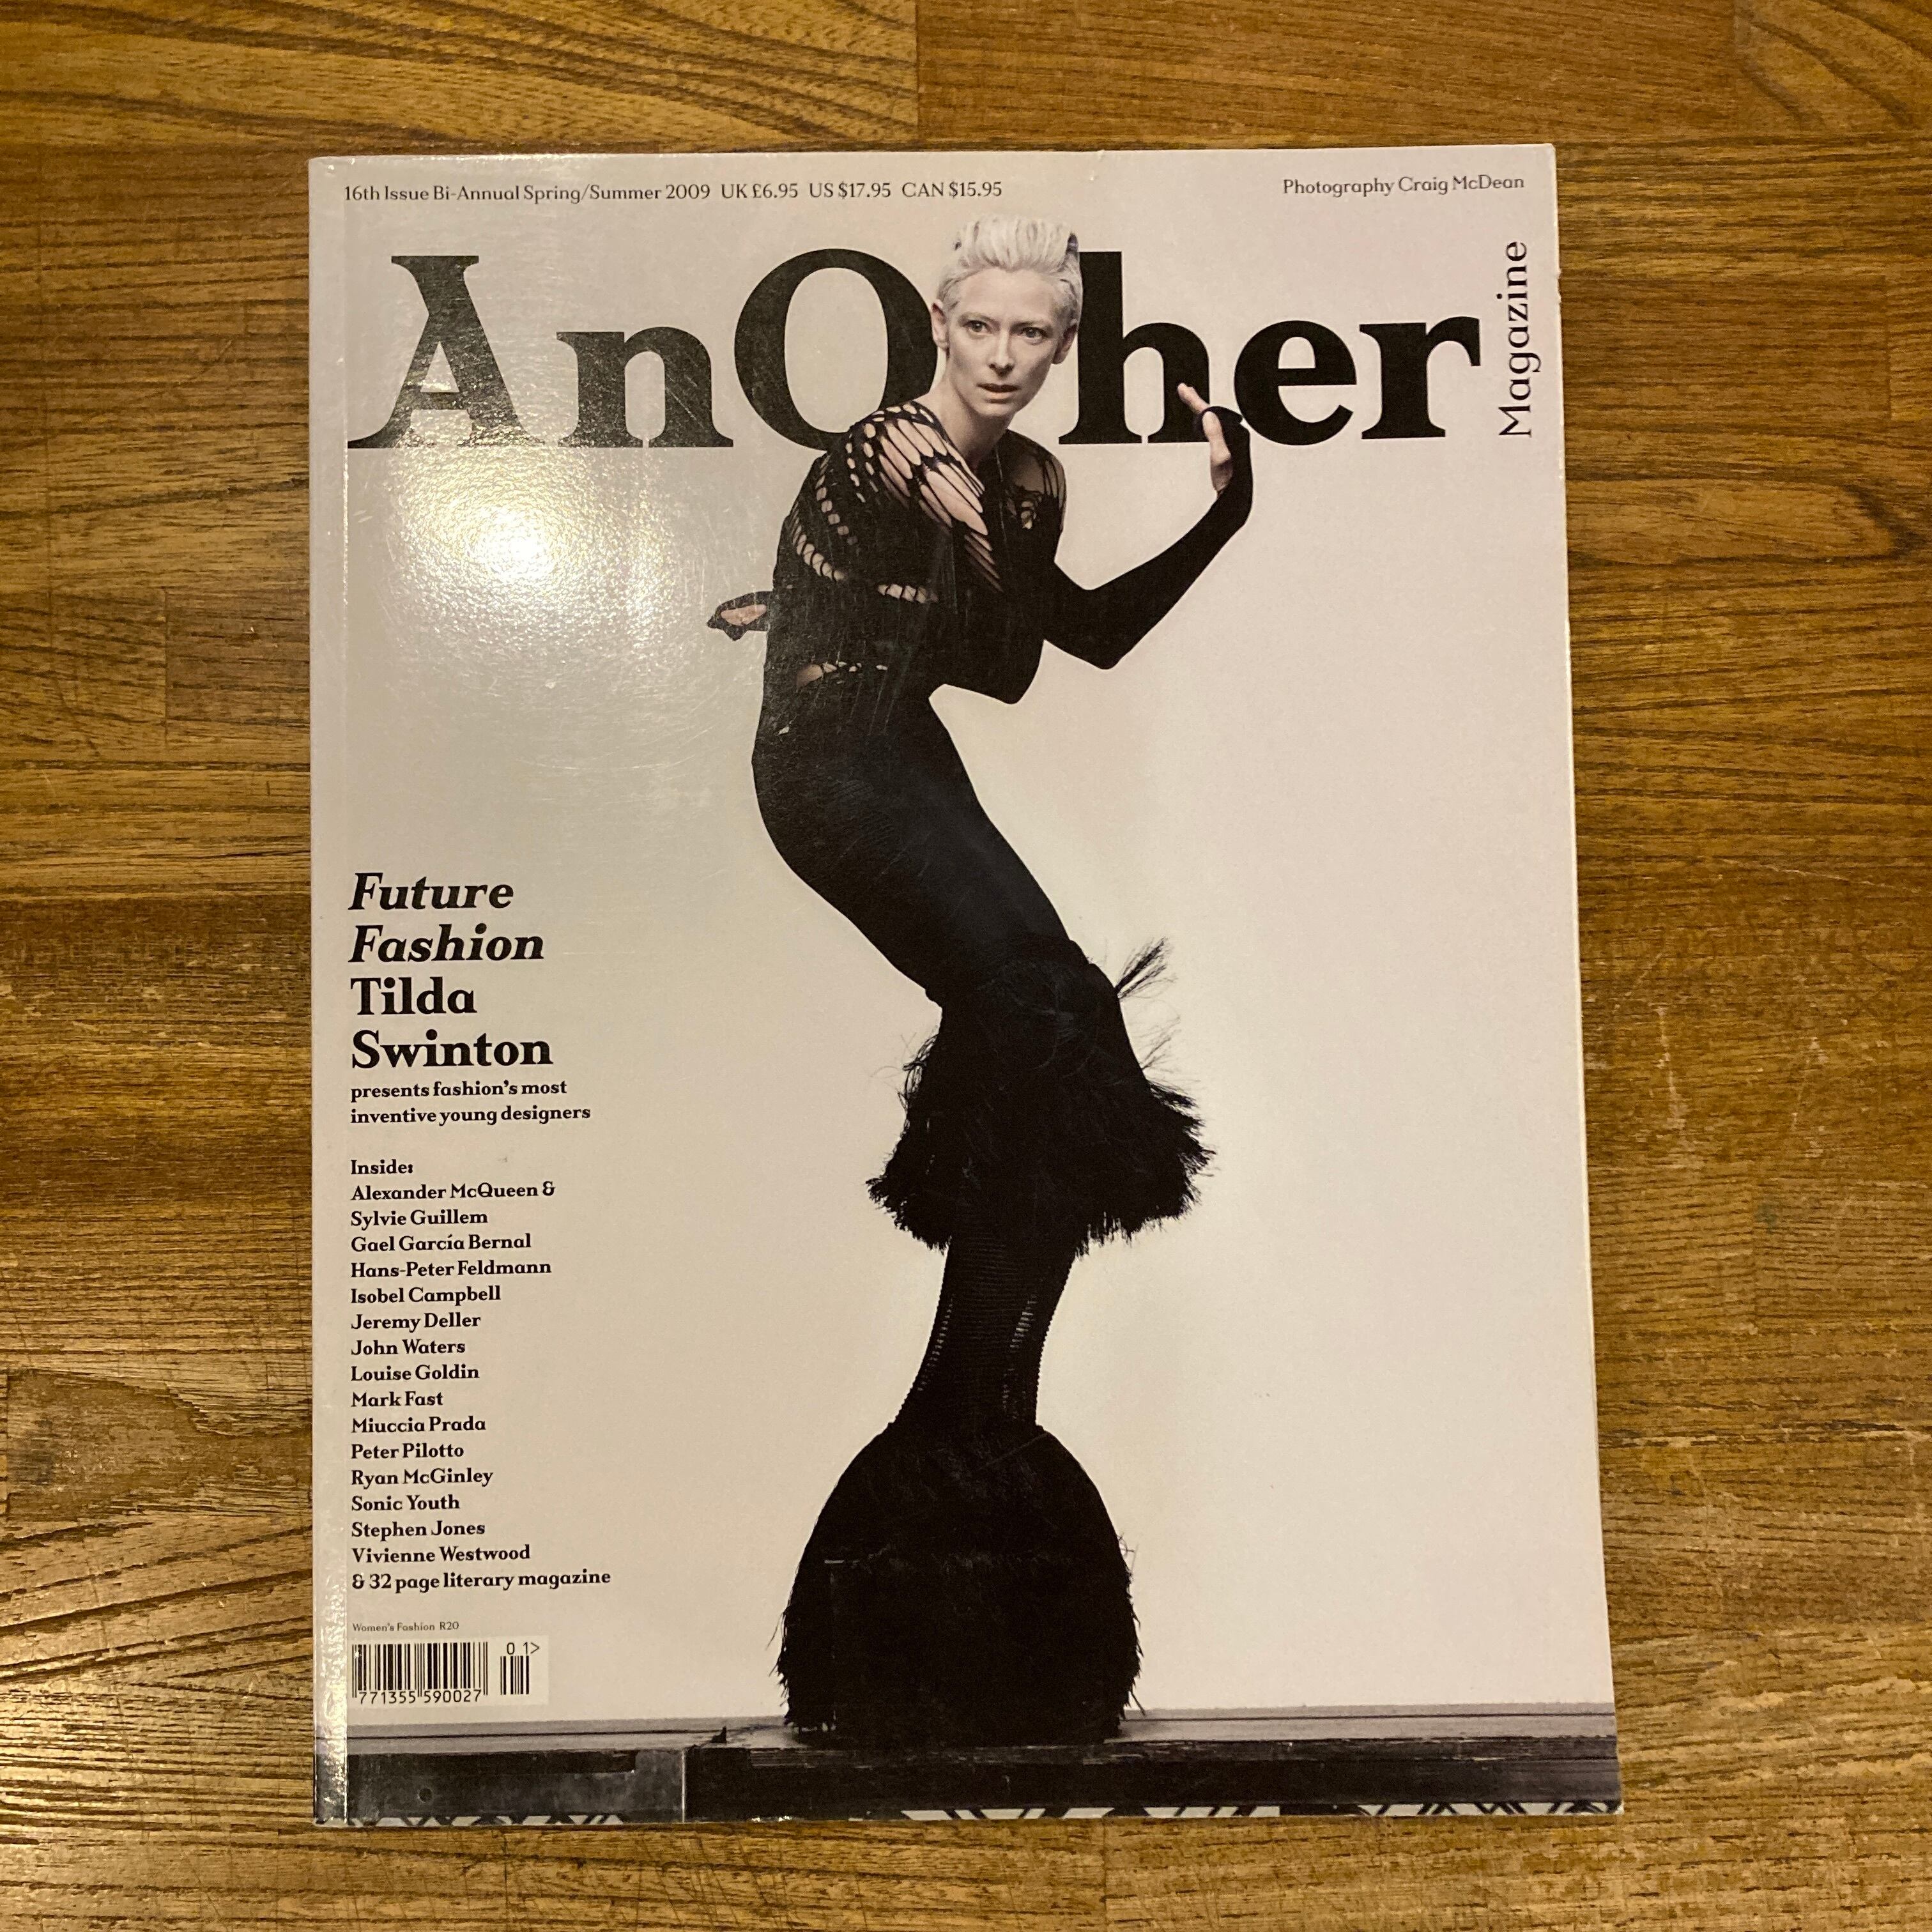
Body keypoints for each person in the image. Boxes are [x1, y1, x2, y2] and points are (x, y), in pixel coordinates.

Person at [711, 215, 1253, 1747]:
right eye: (982, 329)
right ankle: (974, 1388)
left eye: (1036, 335)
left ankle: (979, 1397)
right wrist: (904, 553)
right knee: (1044, 1000)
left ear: (1062, 344)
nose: (1006, 357)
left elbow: (1046, 652)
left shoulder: (1027, 483)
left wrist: (1226, 516)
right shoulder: (896, 447)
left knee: (1055, 1006)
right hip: (826, 768)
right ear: (939, 328)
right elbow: (902, 484)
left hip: (906, 749)